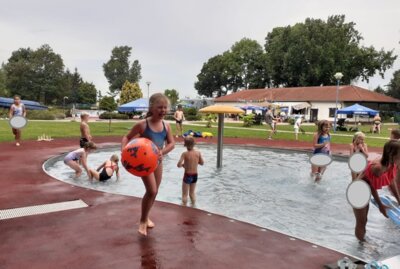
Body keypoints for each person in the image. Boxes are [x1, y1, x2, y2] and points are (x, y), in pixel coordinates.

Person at [121, 93, 175, 236]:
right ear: (151, 107)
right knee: (151, 191)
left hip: (157, 161)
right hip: (143, 163)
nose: (163, 110)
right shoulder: (143, 125)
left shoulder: (166, 126)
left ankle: (146, 216)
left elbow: (172, 143)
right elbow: (126, 137)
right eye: (159, 107)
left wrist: (162, 152)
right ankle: (143, 221)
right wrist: (123, 152)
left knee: (155, 191)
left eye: (165, 107)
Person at [353, 140, 400, 241]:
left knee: (364, 220)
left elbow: (392, 182)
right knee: (362, 221)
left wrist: (399, 200)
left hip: (367, 188)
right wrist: (380, 206)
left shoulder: (392, 163)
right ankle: (361, 246)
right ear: (392, 154)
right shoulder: (379, 167)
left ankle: (362, 242)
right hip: (358, 191)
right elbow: (372, 187)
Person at [177, 136, 204, 205]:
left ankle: (184, 208)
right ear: (194, 144)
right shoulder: (198, 153)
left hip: (187, 175)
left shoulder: (184, 154)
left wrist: (183, 165)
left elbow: (178, 165)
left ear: (185, 145)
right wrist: (195, 162)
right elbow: (202, 163)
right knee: (192, 193)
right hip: (195, 175)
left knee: (184, 195)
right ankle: (193, 206)